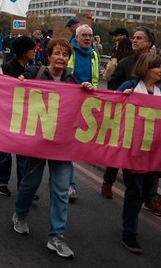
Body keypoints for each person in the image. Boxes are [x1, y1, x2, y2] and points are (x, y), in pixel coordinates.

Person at [12, 38, 94, 260]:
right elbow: (17, 92)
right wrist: (20, 81)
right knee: (30, 183)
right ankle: (19, 215)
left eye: (65, 55)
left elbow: (81, 104)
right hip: (38, 143)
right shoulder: (34, 72)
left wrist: (86, 89)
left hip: (61, 144)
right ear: (48, 56)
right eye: (57, 53)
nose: (61, 58)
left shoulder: (71, 79)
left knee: (61, 189)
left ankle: (56, 236)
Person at [105, 26, 161, 213]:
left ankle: (150, 198)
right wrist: (126, 94)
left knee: (151, 166)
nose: (134, 40)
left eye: (139, 38)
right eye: (133, 38)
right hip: (128, 125)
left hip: (150, 129)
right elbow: (113, 85)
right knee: (118, 154)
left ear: (149, 43)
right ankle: (108, 180)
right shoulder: (126, 63)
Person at [117, 53, 161, 255]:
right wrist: (124, 98)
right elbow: (113, 109)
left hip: (152, 152)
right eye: (158, 67)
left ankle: (128, 219)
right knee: (135, 191)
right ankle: (129, 233)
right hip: (132, 150)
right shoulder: (128, 86)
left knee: (145, 191)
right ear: (146, 68)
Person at [0, 36, 36, 197]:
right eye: (32, 49)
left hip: (25, 118)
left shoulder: (34, 70)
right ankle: (1, 181)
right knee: (4, 153)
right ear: (24, 52)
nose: (35, 51)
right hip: (6, 115)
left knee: (24, 155)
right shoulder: (5, 68)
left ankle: (24, 187)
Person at [65, 23, 100, 201]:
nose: (87, 38)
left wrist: (92, 91)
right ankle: (69, 183)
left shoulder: (94, 54)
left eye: (90, 35)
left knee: (75, 143)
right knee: (68, 142)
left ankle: (64, 178)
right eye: (84, 35)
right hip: (70, 101)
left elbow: (95, 78)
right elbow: (66, 74)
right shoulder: (69, 52)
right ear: (76, 38)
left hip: (86, 103)